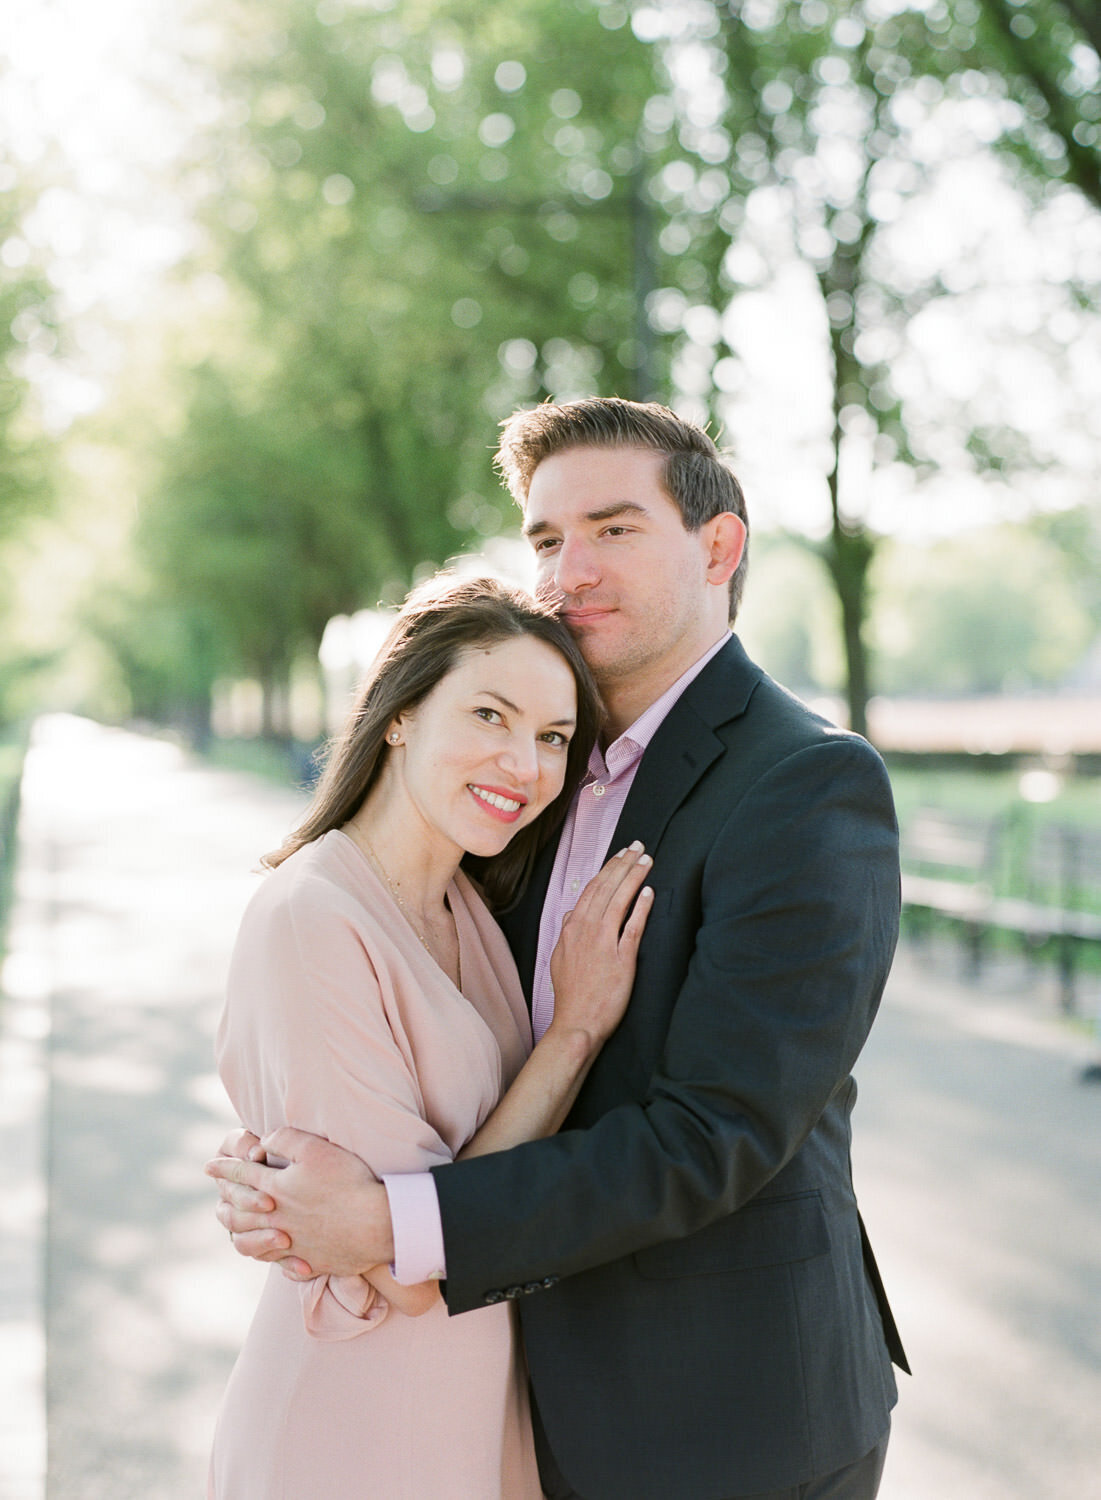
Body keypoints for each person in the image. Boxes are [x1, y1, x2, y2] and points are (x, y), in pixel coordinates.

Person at [210, 397, 909, 1500]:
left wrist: (391, 1221)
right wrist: (293, 1137)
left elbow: (713, 1134)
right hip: (514, 1404)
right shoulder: (525, 783)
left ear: (717, 544)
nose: (568, 569)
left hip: (721, 1418)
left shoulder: (806, 783)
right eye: (545, 539)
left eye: (614, 529)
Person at [207, 573, 655, 1499]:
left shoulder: (469, 907)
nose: (524, 765)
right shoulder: (314, 917)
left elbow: (436, 1216)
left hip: (471, 1406)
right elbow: (402, 1265)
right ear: (400, 712)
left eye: (552, 737)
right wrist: (571, 1033)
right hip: (355, 1427)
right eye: (489, 715)